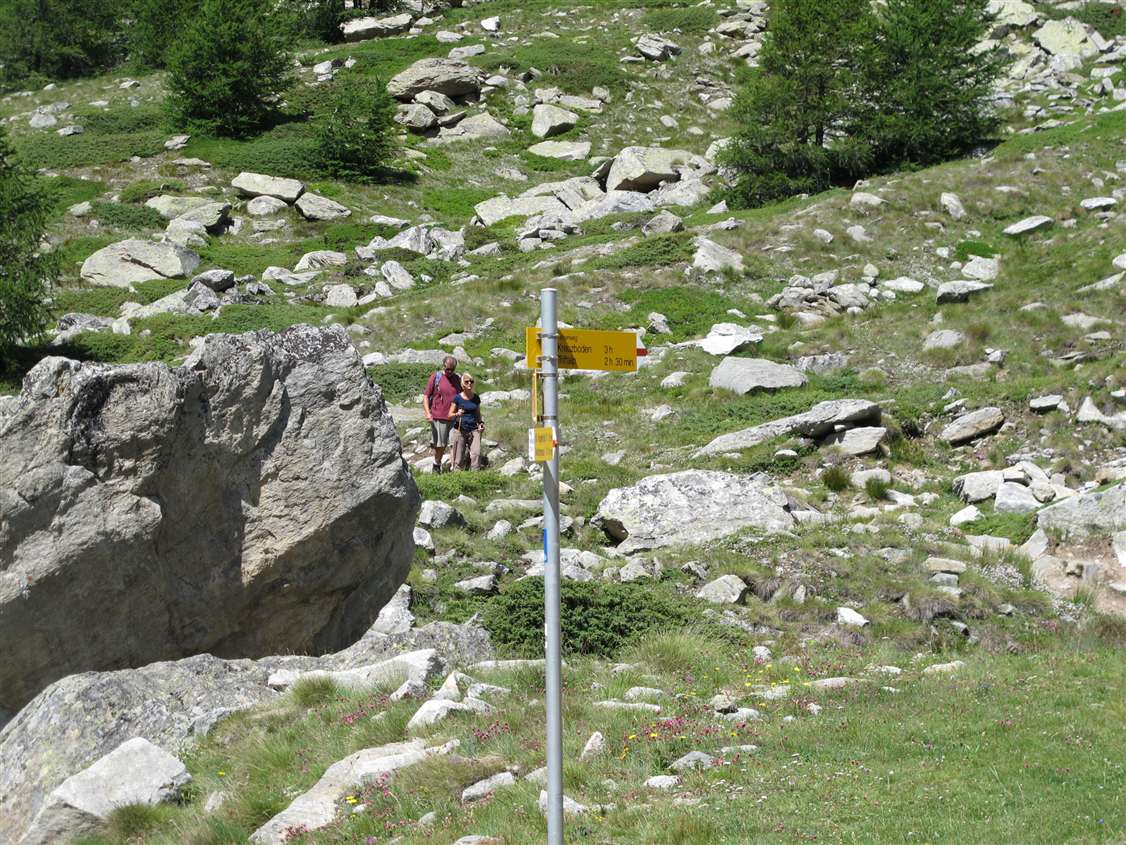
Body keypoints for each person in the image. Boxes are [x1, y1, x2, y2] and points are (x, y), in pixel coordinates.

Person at [422, 356, 461, 473]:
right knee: (440, 445)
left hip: (454, 417)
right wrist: (428, 413)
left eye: (452, 369)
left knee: (455, 443)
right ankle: (436, 464)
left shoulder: (457, 379)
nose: (450, 372)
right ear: (443, 366)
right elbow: (426, 396)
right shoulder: (436, 377)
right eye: (448, 369)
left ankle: (455, 468)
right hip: (439, 417)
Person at [449, 373, 483, 471]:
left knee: (476, 453)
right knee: (458, 456)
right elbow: (449, 415)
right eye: (466, 381)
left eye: (471, 381)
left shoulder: (476, 398)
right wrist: (457, 414)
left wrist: (480, 424)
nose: (469, 383)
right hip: (460, 429)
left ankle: (475, 473)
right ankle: (457, 474)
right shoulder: (457, 398)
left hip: (474, 430)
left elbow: (478, 413)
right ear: (462, 384)